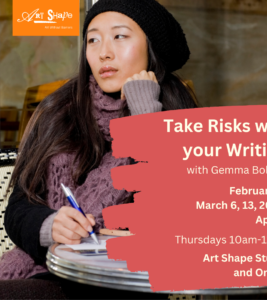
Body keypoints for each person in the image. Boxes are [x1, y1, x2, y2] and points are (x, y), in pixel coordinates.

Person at [0, 0, 197, 293]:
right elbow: (18, 208)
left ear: (151, 46)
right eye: (93, 39)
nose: (104, 52)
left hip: (126, 286)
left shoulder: (180, 119)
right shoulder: (60, 110)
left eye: (120, 36)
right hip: (47, 272)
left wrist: (145, 115)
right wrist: (49, 226)